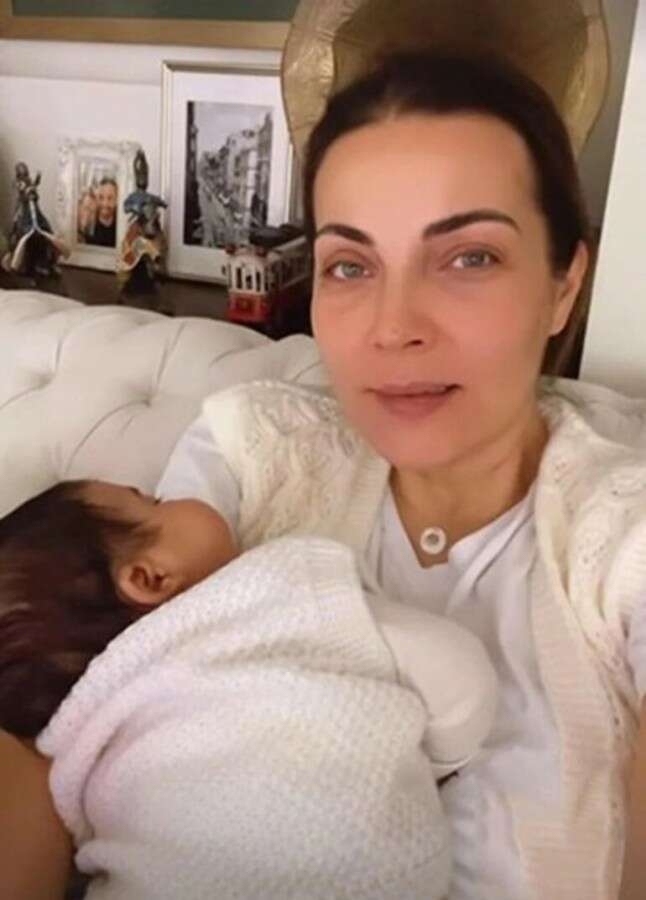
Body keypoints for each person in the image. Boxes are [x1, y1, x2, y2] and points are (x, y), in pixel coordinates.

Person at [2, 48, 646, 900]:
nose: (393, 326)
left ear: (564, 286)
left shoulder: (622, 535)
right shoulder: (253, 449)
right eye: (351, 265)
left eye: (469, 258)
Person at [0, 477, 496, 899]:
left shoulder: (84, 758)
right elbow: (456, 669)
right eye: (153, 502)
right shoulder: (275, 593)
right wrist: (442, 758)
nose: (172, 494)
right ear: (150, 577)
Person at [85, 177, 118, 247]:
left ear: (116, 200)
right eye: (101, 197)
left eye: (110, 198)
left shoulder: (121, 226)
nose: (105, 203)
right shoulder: (89, 226)